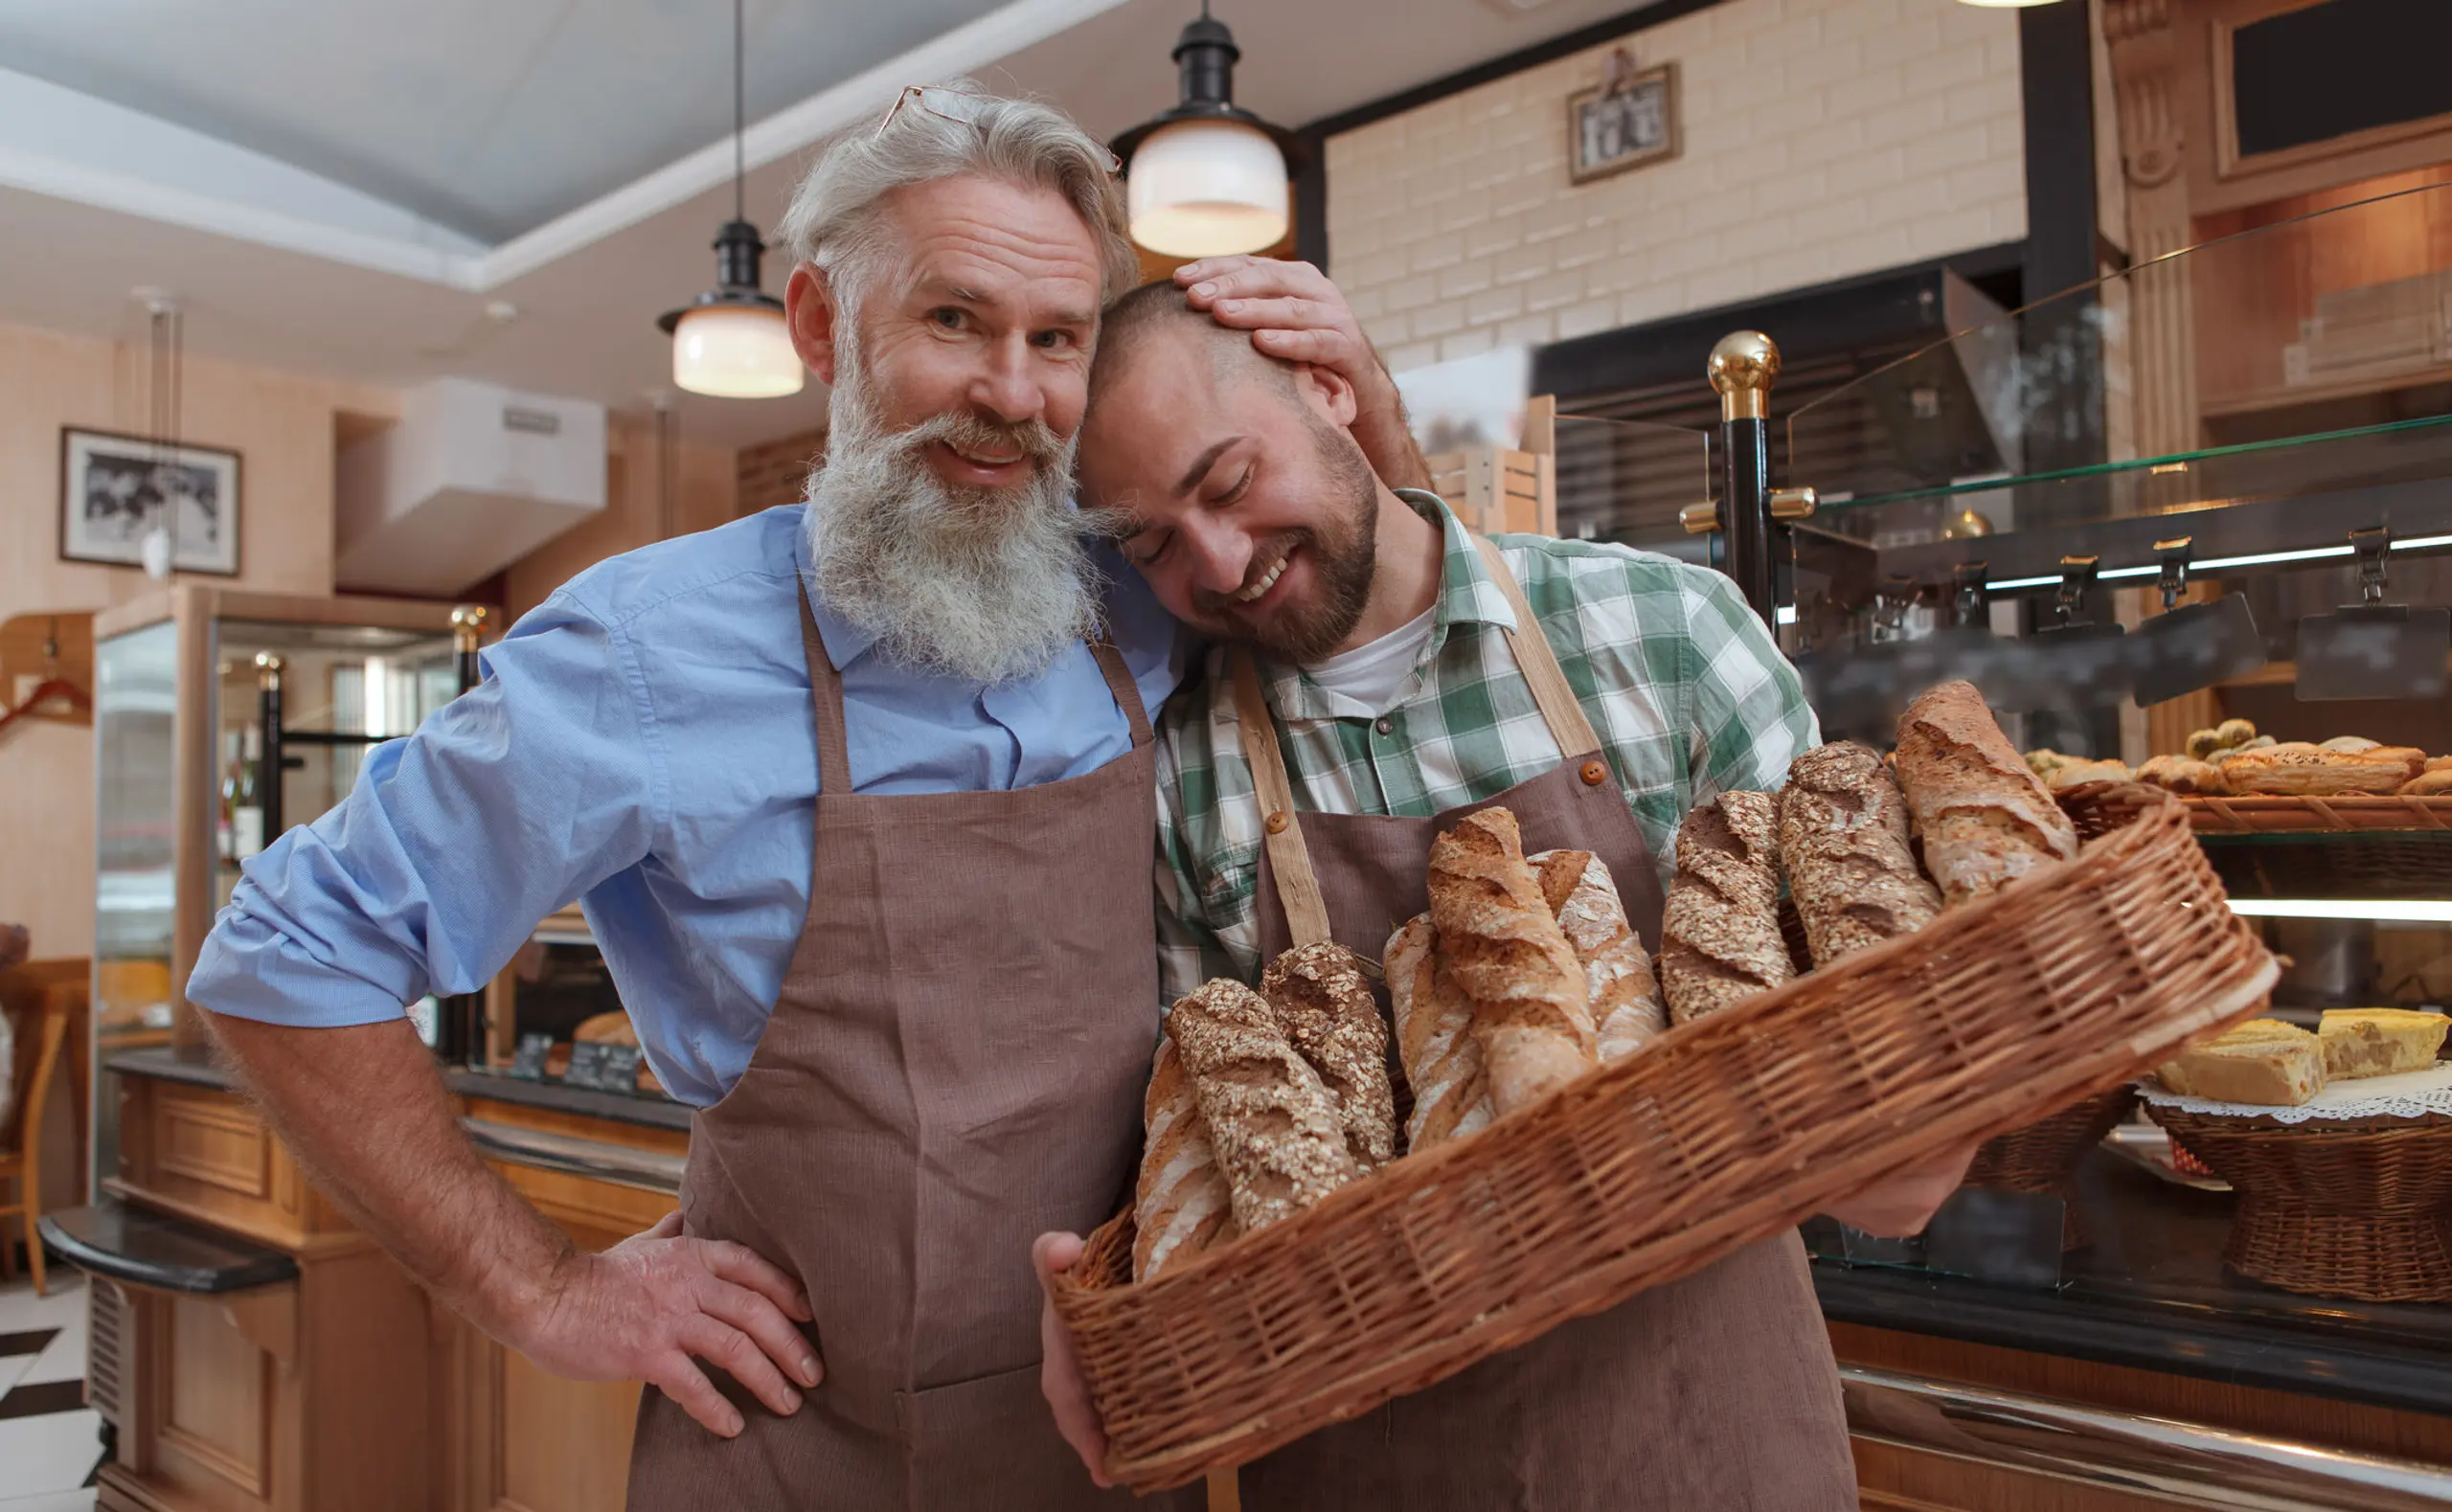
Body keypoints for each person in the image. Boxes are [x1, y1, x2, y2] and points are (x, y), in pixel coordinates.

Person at [183, 89, 1415, 1510]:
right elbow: (286, 951)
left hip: (1142, 1429)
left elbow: (1404, 651)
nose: (1013, 396)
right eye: (954, 320)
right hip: (816, 1449)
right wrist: (533, 1284)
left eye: (1056, 339)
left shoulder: (1137, 593)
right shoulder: (644, 652)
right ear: (824, 325)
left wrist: (1367, 415)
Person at [1038, 283, 1978, 1508]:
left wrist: (1898, 1110)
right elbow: (1194, 1157)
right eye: (1150, 544)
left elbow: (1883, 1100)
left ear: (1330, 392)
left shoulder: (1664, 635)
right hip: (1371, 1451)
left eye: (1226, 483)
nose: (1217, 562)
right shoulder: (1180, 772)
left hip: (1704, 1428)